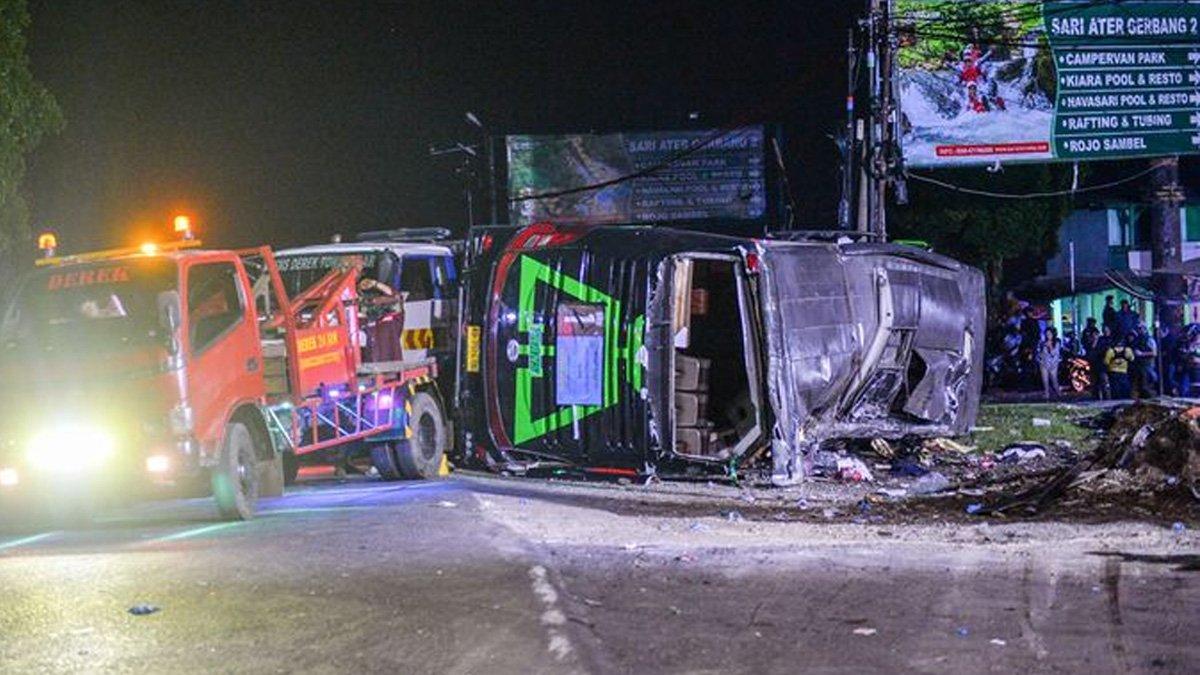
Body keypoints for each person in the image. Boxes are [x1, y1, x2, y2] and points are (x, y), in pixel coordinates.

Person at [1130, 323, 1158, 398]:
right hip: (1139, 366)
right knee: (1140, 386)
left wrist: (1142, 354)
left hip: (1147, 365)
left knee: (1147, 385)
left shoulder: (1149, 339)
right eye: (1138, 328)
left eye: (1140, 328)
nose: (1139, 330)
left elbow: (1154, 353)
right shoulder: (1137, 339)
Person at [1037, 327, 1062, 400]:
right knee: (1045, 381)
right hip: (1044, 363)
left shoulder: (1057, 343)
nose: (1048, 335)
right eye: (1047, 334)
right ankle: (1047, 394)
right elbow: (1039, 353)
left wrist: (1050, 346)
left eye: (1050, 334)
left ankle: (1058, 393)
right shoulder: (1042, 342)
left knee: (1054, 381)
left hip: (1053, 364)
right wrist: (1040, 360)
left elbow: (1054, 353)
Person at [1089, 325, 1113, 400]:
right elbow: (1090, 353)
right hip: (1094, 365)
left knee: (1104, 382)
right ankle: (1096, 398)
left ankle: (1107, 398)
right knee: (1095, 383)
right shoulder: (1091, 343)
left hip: (1102, 365)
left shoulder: (1104, 342)